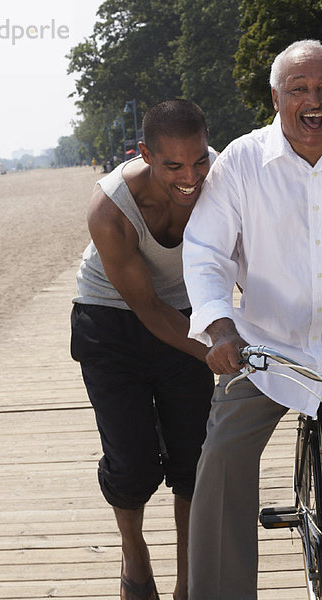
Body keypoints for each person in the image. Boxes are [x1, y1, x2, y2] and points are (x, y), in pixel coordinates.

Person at [182, 39, 322, 600]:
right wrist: (219, 327)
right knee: (220, 463)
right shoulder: (240, 162)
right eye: (300, 90)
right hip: (265, 352)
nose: (314, 100)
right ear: (275, 96)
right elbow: (206, 252)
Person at [71, 99, 217, 600]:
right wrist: (215, 353)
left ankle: (186, 583)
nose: (190, 177)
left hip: (184, 314)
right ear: (145, 155)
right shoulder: (111, 208)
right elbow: (149, 308)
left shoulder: (222, 179)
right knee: (132, 463)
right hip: (110, 320)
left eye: (199, 160)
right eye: (174, 165)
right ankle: (135, 557)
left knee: (193, 459)